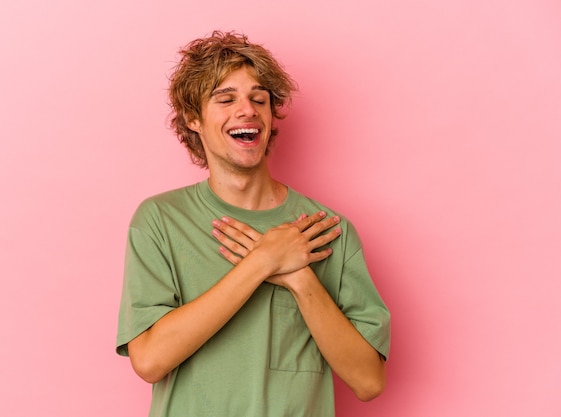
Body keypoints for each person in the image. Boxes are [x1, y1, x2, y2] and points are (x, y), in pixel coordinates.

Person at [116, 31, 390, 417]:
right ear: (193, 119)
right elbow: (149, 361)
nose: (247, 110)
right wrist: (262, 261)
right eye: (226, 99)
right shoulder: (160, 220)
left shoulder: (327, 230)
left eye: (259, 99)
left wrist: (299, 277)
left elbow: (369, 382)